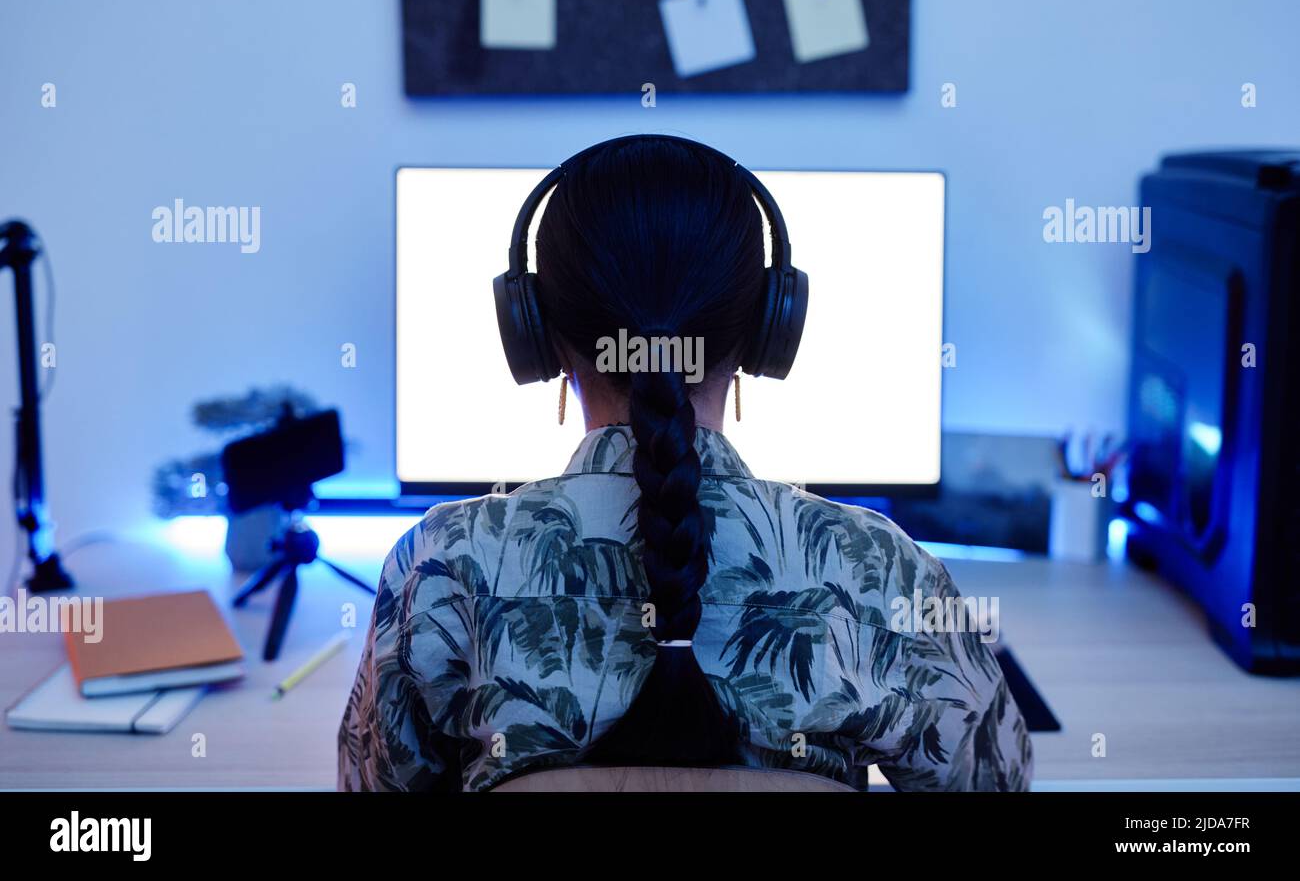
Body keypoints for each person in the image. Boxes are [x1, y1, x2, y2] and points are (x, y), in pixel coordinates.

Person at [338, 135, 1033, 791]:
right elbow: (999, 783)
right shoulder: (878, 568)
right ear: (769, 328)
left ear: (535, 334)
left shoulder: (438, 567)